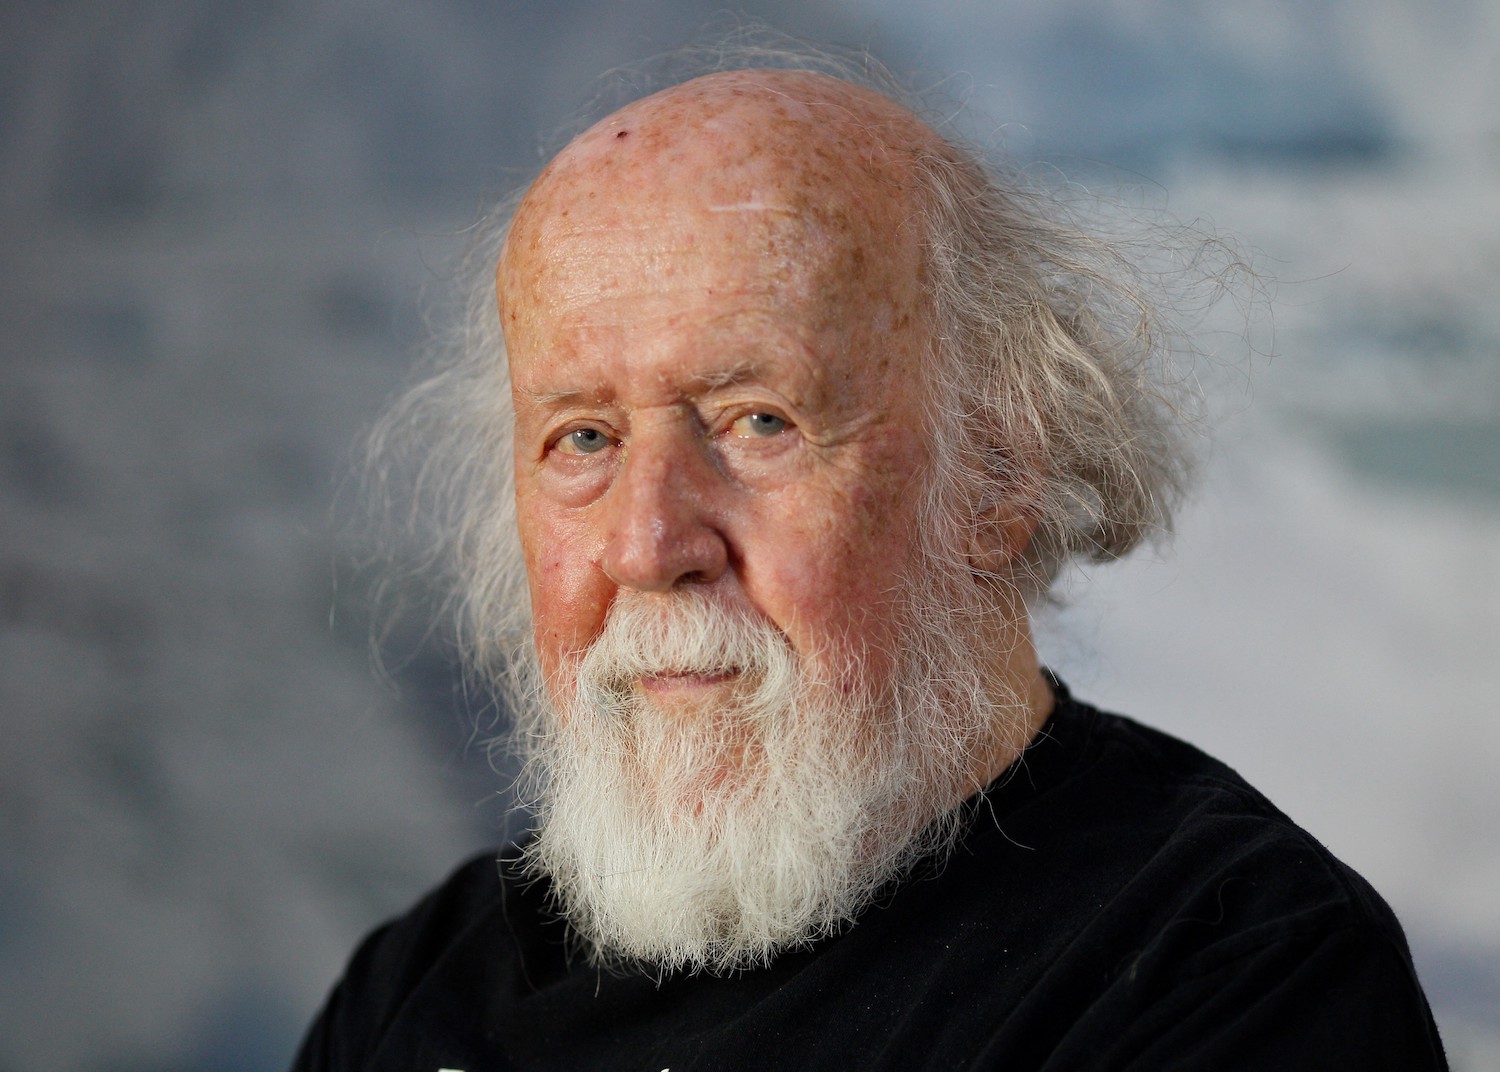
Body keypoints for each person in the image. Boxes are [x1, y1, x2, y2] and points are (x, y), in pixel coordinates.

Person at [294, 50, 1447, 1071]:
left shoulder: (1232, 969)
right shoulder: (422, 987)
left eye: (758, 422)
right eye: (582, 439)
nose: (649, 544)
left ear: (995, 478)